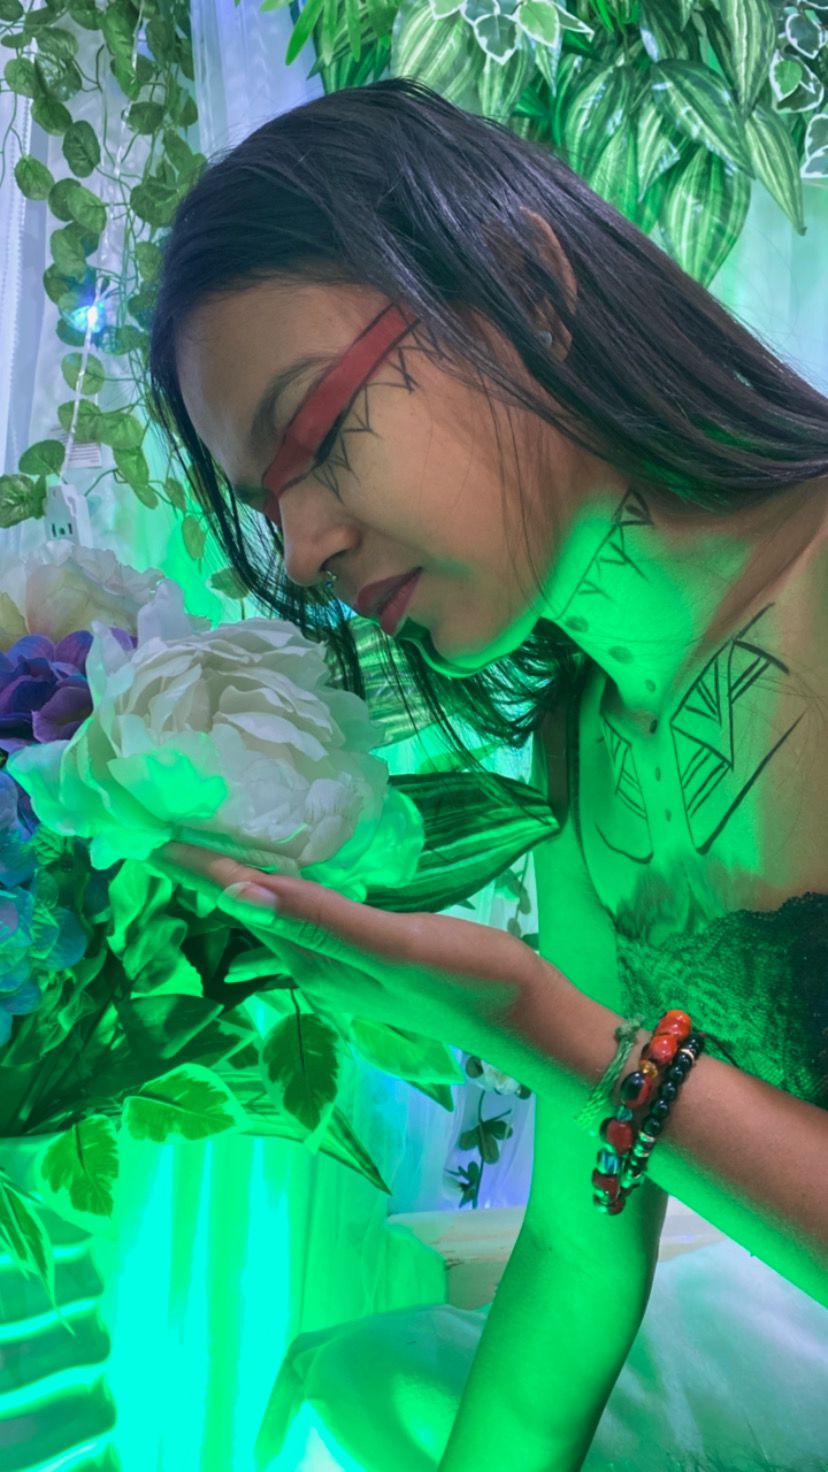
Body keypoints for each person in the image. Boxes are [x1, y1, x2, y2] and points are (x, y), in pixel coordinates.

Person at [146, 77, 828, 1471]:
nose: (305, 552)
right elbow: (576, 1258)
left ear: (525, 288)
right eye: (270, 507)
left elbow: (596, 1078)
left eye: (313, 433)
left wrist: (538, 1018)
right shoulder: (587, 747)